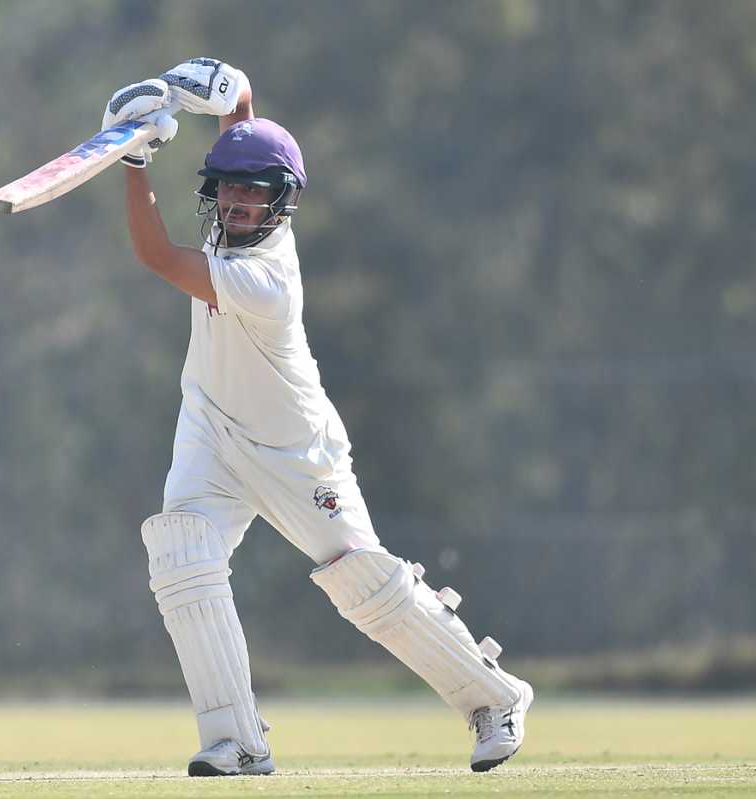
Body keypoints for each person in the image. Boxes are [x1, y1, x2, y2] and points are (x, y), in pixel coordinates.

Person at [100, 57, 533, 777]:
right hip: (210, 428)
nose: (237, 202)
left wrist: (135, 157)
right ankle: (236, 741)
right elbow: (241, 115)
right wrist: (211, 83)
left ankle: (495, 695)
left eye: (253, 192)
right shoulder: (230, 224)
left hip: (296, 451)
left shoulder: (261, 274)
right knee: (181, 554)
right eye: (227, 188)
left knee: (363, 583)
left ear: (283, 203)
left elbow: (152, 253)